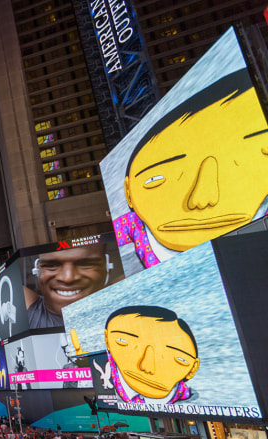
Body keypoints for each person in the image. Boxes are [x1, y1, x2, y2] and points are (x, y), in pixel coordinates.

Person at [116, 69, 268, 270]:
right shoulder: (133, 224)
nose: (203, 198)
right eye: (156, 179)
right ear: (129, 192)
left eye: (247, 158)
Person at [102, 306, 198, 405]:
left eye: (179, 359)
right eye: (122, 341)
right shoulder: (102, 375)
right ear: (107, 339)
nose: (147, 367)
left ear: (193, 368)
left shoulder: (192, 401)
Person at [25, 243, 111, 328]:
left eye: (85, 264)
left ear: (106, 268)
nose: (68, 278)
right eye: (52, 265)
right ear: (37, 270)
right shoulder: (28, 307)